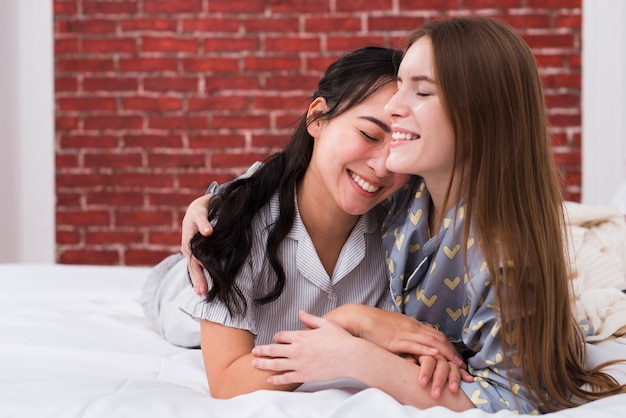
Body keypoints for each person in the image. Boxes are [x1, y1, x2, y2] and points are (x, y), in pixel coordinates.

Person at [186, 17, 626, 413]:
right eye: (399, 87)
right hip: (192, 281)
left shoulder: (416, 198)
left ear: (480, 116)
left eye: (420, 91)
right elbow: (226, 380)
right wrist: (212, 204)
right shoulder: (396, 187)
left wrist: (367, 353)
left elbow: (510, 391)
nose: (395, 109)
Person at [140, 46, 469, 400]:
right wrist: (350, 322)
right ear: (317, 118)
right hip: (183, 287)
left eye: (400, 146)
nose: (383, 166)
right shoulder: (243, 228)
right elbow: (228, 382)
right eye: (370, 136)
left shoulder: (403, 226)